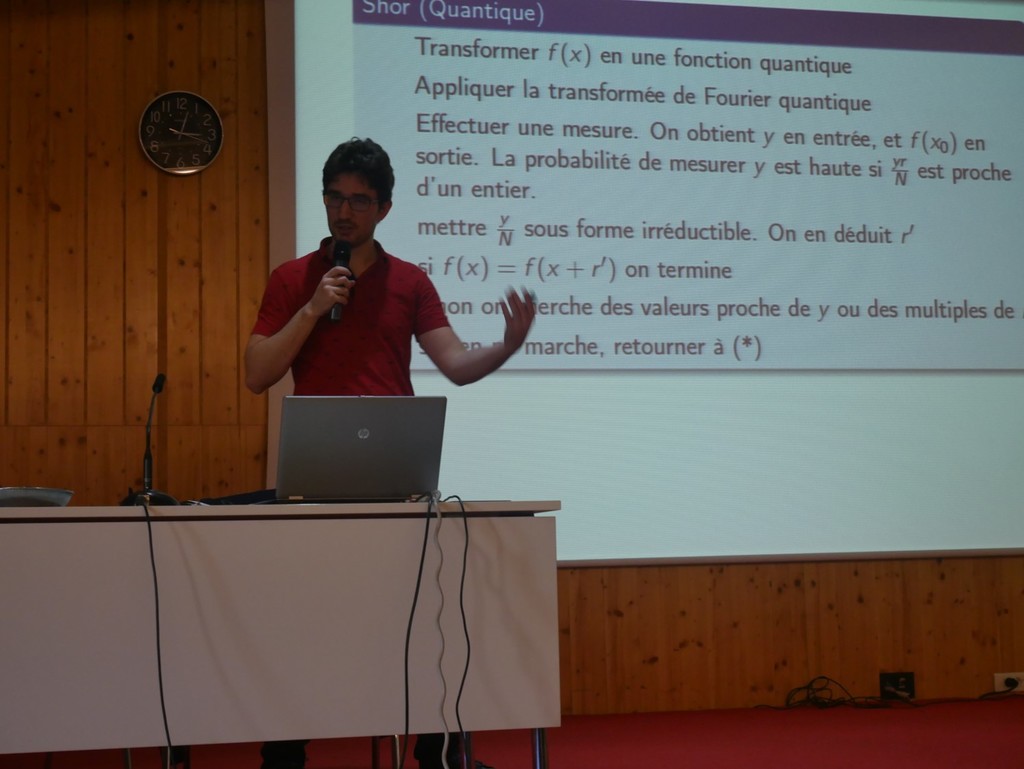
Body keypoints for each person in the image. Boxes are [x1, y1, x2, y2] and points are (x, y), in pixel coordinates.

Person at [245, 137, 536, 769]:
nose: (344, 212)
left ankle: (438, 752)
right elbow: (257, 373)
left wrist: (506, 347)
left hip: (395, 483)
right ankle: (284, 753)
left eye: (360, 201)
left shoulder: (409, 282)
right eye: (335, 198)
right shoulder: (294, 278)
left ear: (384, 208)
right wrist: (313, 308)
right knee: (303, 623)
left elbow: (455, 363)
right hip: (315, 483)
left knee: (428, 613)